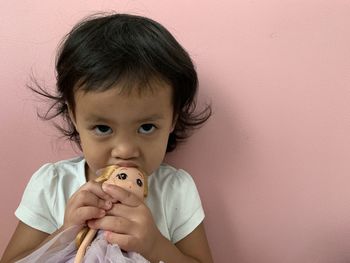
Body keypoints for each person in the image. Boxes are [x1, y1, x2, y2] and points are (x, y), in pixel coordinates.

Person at [0, 13, 213, 263]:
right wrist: (65, 233)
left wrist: (155, 245)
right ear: (74, 116)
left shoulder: (176, 191)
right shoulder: (52, 186)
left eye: (146, 127)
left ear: (173, 119)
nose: (124, 150)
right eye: (103, 128)